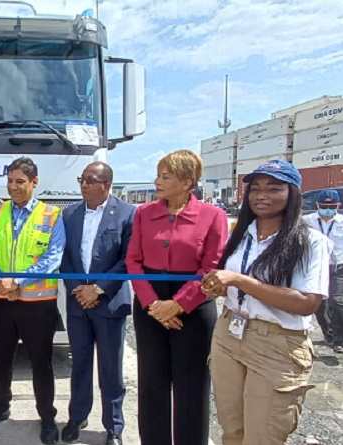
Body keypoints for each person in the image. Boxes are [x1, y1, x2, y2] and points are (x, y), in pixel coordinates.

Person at [203, 160, 331, 445]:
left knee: (262, 436)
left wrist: (239, 281)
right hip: (229, 335)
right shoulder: (241, 234)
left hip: (277, 345)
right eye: (256, 189)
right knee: (232, 430)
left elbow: (307, 303)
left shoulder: (310, 242)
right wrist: (221, 286)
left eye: (274, 189)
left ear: (293, 194)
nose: (262, 195)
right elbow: (233, 281)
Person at [126, 149, 228, 445]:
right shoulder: (144, 213)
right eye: (158, 175)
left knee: (192, 385)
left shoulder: (213, 216)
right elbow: (133, 261)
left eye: (165, 176)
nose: (157, 181)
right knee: (152, 383)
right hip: (151, 303)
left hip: (195, 307)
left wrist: (179, 304)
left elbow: (211, 265)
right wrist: (153, 304)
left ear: (187, 182)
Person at [0, 157, 66, 445]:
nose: (13, 187)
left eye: (19, 182)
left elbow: (53, 258)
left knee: (41, 362)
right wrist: (4, 281)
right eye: (10, 181)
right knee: (1, 358)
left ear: (34, 183)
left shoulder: (52, 215)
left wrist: (17, 281)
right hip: (2, 300)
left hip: (38, 305)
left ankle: (47, 416)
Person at [59, 162, 135, 445]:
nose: (84, 185)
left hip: (110, 304)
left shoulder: (127, 213)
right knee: (79, 364)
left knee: (110, 369)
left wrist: (99, 289)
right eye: (82, 179)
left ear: (106, 184)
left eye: (91, 180)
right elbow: (64, 256)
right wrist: (79, 289)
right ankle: (77, 416)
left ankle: (113, 426)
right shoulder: (69, 214)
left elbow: (128, 258)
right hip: (78, 303)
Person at [303, 189, 343, 353]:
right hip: (316, 267)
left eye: (332, 206)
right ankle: (329, 334)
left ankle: (339, 339)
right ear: (318, 205)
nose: (328, 208)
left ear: (338, 205)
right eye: (325, 205)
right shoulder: (306, 221)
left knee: (337, 302)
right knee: (320, 305)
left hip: (338, 267)